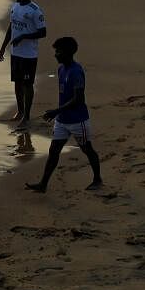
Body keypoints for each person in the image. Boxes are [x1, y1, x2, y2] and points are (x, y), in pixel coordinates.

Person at [26, 37, 102, 193]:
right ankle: (43, 184)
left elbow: (78, 99)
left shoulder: (76, 72)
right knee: (53, 151)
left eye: (58, 51)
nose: (55, 55)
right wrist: (58, 113)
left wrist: (56, 111)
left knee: (87, 149)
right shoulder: (61, 69)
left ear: (68, 53)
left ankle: (97, 179)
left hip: (77, 120)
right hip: (62, 120)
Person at [0, 0, 47, 130]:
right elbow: (11, 27)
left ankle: (27, 116)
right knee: (17, 83)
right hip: (15, 53)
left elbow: (43, 32)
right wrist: (3, 47)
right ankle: (20, 111)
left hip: (29, 55)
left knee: (27, 84)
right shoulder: (15, 6)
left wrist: (23, 37)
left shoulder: (35, 10)